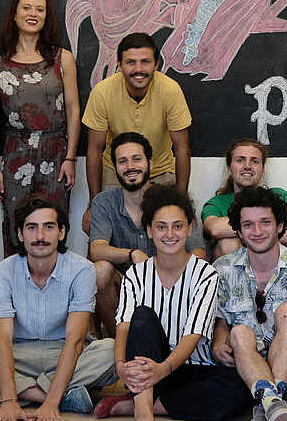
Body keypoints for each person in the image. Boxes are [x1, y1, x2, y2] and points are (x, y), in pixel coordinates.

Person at [0, 197, 118, 421]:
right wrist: (10, 401)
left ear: (62, 232)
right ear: (20, 234)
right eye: (31, 227)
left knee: (113, 350)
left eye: (49, 227)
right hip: (17, 354)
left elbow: (75, 341)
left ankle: (5, 394)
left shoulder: (82, 270)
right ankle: (54, 396)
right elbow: (1, 340)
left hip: (64, 351)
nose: (40, 236)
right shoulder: (3, 272)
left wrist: (51, 405)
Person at [95, 185, 253, 421]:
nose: (170, 234)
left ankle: (139, 403)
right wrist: (119, 366)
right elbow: (124, 326)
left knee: (239, 388)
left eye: (177, 226)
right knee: (142, 316)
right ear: (150, 231)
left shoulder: (206, 274)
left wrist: (164, 369)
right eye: (161, 227)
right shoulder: (135, 274)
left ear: (189, 228)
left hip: (192, 369)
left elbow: (193, 335)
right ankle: (144, 413)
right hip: (148, 364)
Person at [0, 0, 81, 256]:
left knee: (54, 224)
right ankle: (16, 282)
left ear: (46, 16)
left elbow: (73, 109)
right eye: (26, 8)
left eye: (40, 9)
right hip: (15, 154)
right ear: (14, 15)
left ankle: (56, 282)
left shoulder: (62, 59)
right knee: (17, 225)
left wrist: (71, 158)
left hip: (56, 153)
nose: (33, 14)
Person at [211, 186, 287, 421]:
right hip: (242, 369)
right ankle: (274, 403)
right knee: (239, 331)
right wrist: (218, 344)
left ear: (280, 226)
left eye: (265, 222)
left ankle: (269, 399)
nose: (257, 231)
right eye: (248, 225)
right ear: (239, 231)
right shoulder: (222, 269)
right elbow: (221, 323)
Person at [88, 132, 205, 338]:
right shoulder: (103, 202)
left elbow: (198, 251)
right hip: (123, 285)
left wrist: (170, 277)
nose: (130, 166)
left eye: (137, 159)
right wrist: (132, 254)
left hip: (165, 282)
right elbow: (97, 249)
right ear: (115, 167)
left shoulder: (171, 198)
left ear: (150, 162)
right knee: (100, 270)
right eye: (123, 161)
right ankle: (117, 340)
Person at [82, 32, 192, 233]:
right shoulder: (102, 92)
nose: (138, 69)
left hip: (160, 171)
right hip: (115, 171)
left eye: (145, 62)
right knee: (104, 235)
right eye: (131, 62)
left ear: (156, 64)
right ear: (119, 64)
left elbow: (182, 148)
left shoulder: (170, 90)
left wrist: (182, 201)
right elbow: (94, 149)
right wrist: (94, 203)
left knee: (166, 236)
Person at [202, 138, 287, 258]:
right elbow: (215, 229)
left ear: (263, 169)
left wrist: (250, 235)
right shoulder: (217, 203)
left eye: (254, 161)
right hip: (237, 267)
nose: (247, 166)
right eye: (240, 160)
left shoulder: (281, 196)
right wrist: (266, 230)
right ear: (229, 168)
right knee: (228, 243)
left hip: (275, 264)